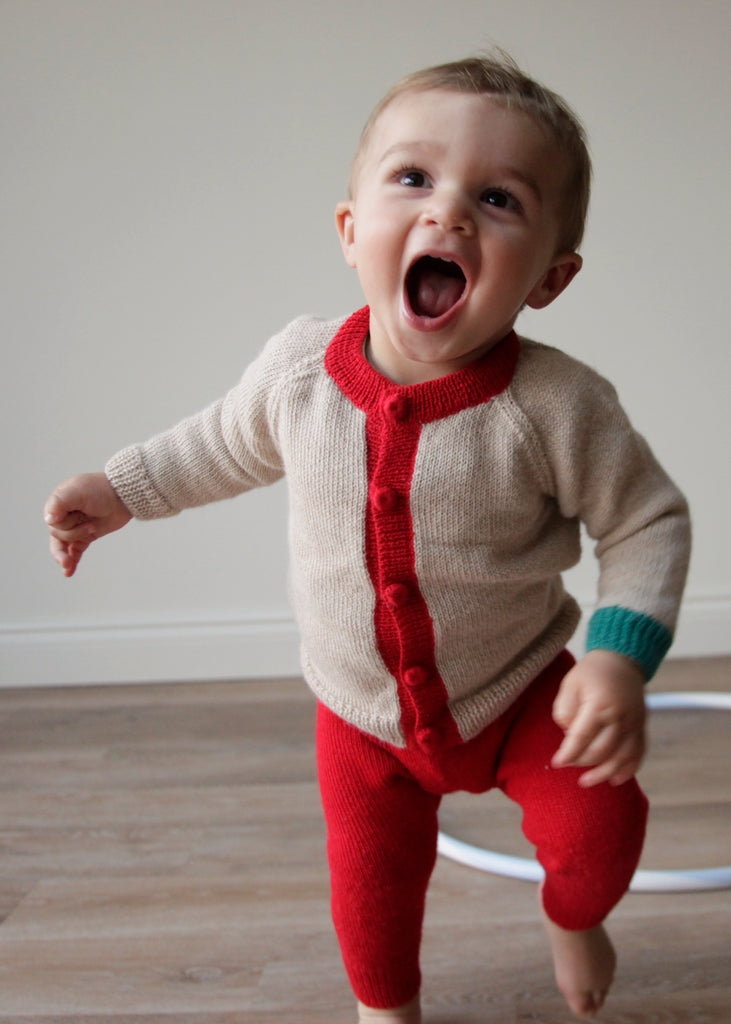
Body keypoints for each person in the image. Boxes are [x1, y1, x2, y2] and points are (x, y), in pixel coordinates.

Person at [44, 54, 690, 1023]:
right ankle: (383, 1010)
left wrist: (614, 655)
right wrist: (121, 488)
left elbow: (646, 520)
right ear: (352, 232)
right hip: (360, 717)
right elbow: (217, 443)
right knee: (371, 892)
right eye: (412, 179)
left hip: (518, 691)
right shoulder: (300, 369)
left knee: (602, 830)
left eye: (498, 198)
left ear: (551, 277)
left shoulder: (558, 406)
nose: (447, 216)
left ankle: (571, 917)